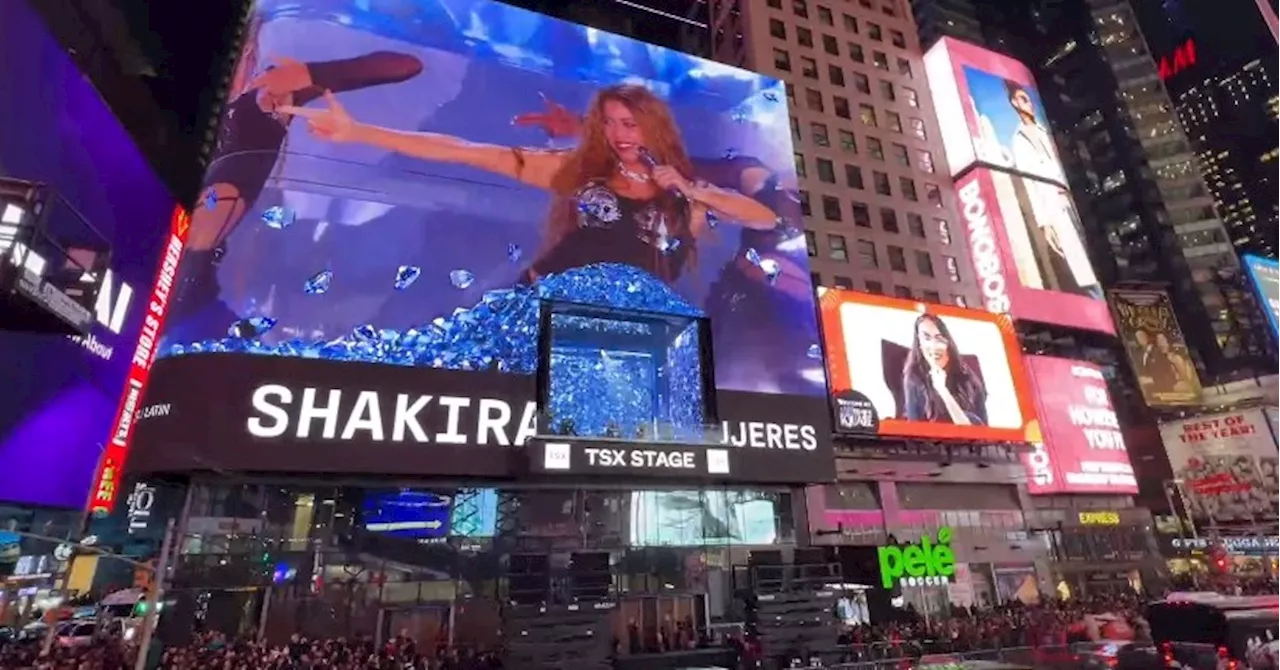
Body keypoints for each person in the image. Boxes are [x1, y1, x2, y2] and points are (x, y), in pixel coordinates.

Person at [283, 83, 779, 284]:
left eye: (630, 124)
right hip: (550, 301)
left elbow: (766, 216)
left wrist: (691, 191)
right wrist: (360, 131)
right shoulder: (581, 171)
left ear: (655, 126)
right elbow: (465, 151)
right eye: (608, 123)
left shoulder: (685, 191)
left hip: (632, 327)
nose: (618, 135)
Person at [167, 14, 425, 339]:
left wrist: (309, 73)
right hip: (188, 251)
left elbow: (406, 65)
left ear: (251, 48)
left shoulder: (270, 94)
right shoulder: (193, 97)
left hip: (211, 259)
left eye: (245, 52)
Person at [1003, 80, 1101, 298]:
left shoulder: (1045, 131)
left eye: (1029, 99)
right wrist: (1044, 222)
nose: (1031, 104)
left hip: (1073, 201)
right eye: (1025, 100)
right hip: (1053, 206)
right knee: (1080, 268)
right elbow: (1030, 183)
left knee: (1094, 258)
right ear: (1015, 102)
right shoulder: (1018, 140)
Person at [901, 314, 987, 425]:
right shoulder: (913, 377)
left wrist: (943, 390)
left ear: (948, 344)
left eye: (939, 338)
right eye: (926, 338)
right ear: (919, 344)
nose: (934, 346)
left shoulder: (968, 378)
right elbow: (914, 430)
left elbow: (981, 433)